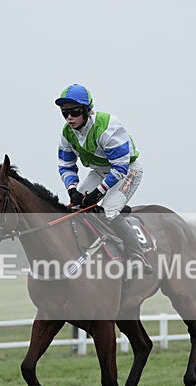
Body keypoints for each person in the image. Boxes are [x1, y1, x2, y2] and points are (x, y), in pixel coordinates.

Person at [55, 83, 153, 274]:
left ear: (86, 110)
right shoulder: (67, 133)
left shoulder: (108, 126)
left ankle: (137, 255)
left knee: (108, 211)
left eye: (74, 111)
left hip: (127, 170)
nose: (69, 118)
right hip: (99, 172)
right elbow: (66, 165)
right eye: (64, 112)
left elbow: (120, 167)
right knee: (76, 209)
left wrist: (97, 193)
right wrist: (72, 190)